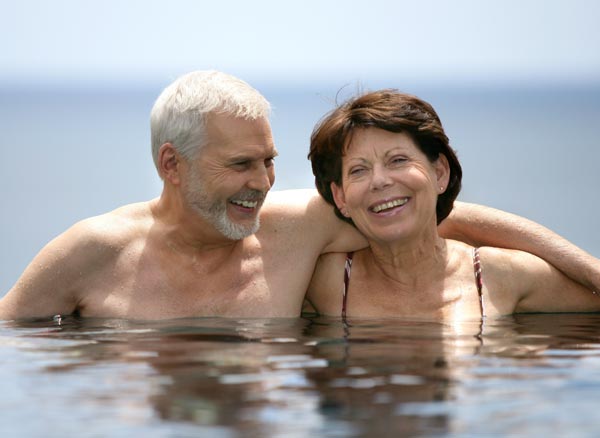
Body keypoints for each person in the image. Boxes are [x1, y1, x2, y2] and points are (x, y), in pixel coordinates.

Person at [1, 72, 598, 321]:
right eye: (240, 165)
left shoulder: (293, 226)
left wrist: (592, 271)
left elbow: (438, 217)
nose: (261, 183)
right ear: (171, 165)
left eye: (268, 162)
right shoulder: (92, 251)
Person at [306, 89, 600, 319]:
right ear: (341, 197)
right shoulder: (323, 283)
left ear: (439, 173)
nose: (379, 181)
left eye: (398, 160)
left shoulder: (501, 275)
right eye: (358, 170)